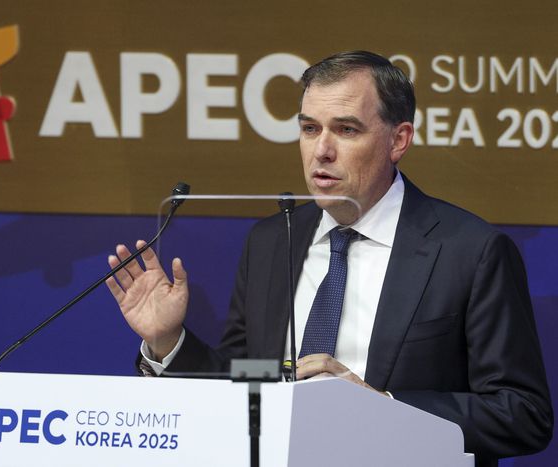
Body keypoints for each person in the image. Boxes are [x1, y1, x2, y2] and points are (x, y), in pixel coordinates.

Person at [105, 51, 553, 466]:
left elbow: (522, 413)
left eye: (346, 130)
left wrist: (382, 406)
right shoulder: (271, 241)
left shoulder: (469, 251)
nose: (321, 150)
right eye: (309, 128)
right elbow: (249, 376)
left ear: (398, 140)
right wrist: (169, 343)